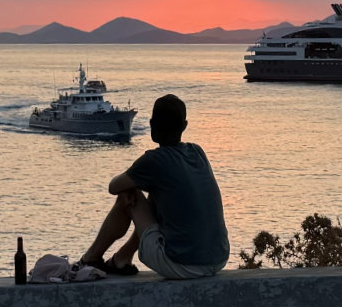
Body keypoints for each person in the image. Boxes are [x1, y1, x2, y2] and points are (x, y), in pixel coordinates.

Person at [79, 94, 230, 279]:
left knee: (128, 192)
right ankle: (122, 258)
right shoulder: (197, 152)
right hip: (218, 259)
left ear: (151, 125)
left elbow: (114, 187)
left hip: (181, 264)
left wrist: (138, 182)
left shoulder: (154, 160)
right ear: (184, 126)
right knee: (159, 193)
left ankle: (90, 258)